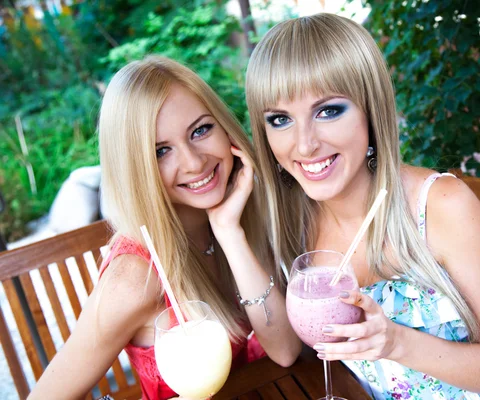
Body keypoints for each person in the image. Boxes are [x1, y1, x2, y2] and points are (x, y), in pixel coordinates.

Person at [245, 13, 480, 400]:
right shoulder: (293, 220)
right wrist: (229, 227)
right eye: (280, 119)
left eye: (328, 110)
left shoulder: (441, 205)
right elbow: (286, 351)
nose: (304, 145)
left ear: (371, 109)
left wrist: (396, 342)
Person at [29, 55, 302, 400]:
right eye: (161, 152)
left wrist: (230, 233)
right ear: (136, 168)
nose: (194, 162)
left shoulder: (234, 213)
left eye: (201, 130)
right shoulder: (134, 279)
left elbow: (285, 351)